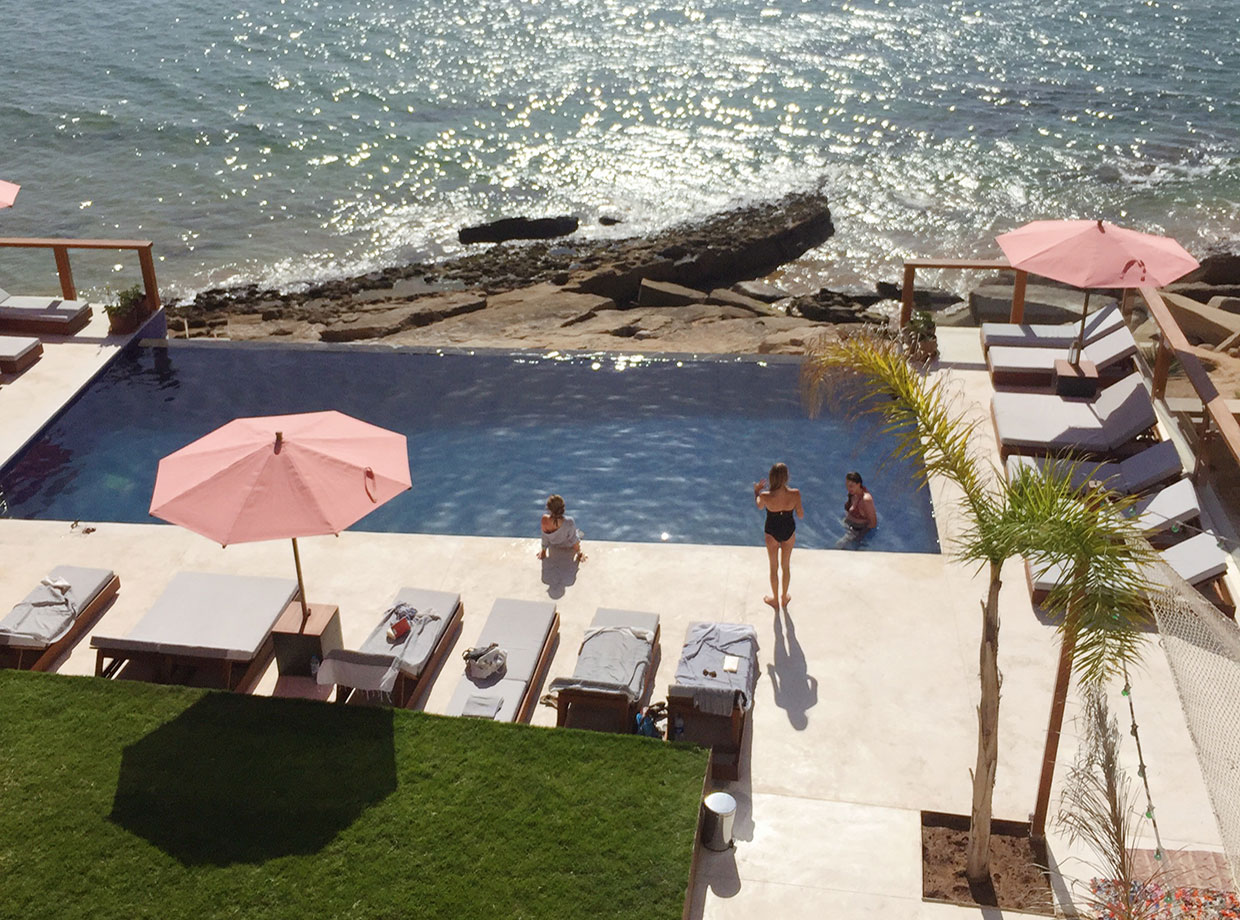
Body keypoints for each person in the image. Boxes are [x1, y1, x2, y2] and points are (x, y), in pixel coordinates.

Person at [753, 462, 804, 612]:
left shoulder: (765, 495)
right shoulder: (795, 493)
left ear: (771, 478)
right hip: (788, 530)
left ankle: (774, 599)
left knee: (773, 567)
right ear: (787, 477)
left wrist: (756, 492)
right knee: (786, 566)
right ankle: (784, 597)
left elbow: (759, 506)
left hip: (771, 531)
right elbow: (800, 515)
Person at [537, 494, 586, 562]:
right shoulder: (569, 521)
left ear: (548, 508)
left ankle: (578, 533)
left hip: (553, 544)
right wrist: (579, 553)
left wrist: (543, 551)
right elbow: (574, 540)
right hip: (567, 545)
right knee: (580, 533)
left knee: (575, 532)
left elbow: (544, 536)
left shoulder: (544, 519)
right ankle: (580, 533)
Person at [843, 471, 878, 536]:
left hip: (858, 530)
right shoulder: (853, 494)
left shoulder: (866, 499)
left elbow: (873, 523)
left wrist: (859, 537)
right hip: (849, 525)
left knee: (839, 544)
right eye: (847, 486)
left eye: (851, 486)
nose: (848, 488)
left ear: (858, 484)